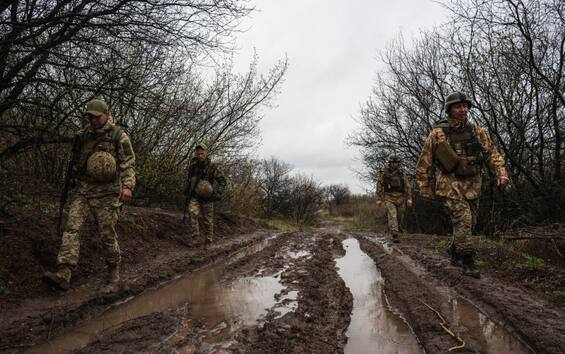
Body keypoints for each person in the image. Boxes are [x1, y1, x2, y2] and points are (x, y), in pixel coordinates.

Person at [43, 99, 135, 290]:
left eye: (96, 116)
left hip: (108, 193)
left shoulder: (119, 136)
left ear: (107, 114)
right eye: (90, 117)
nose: (92, 120)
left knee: (106, 233)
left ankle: (113, 269)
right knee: (72, 228)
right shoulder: (83, 136)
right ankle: (64, 272)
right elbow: (76, 162)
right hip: (84, 190)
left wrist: (128, 187)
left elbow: (128, 163)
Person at [415, 92, 509, 278]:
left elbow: (492, 153)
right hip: (449, 185)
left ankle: (454, 250)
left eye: (465, 106)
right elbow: (424, 162)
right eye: (458, 106)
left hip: (472, 183)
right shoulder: (438, 134)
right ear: (449, 109)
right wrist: (424, 188)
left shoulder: (476, 131)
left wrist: (501, 173)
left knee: (470, 222)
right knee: (463, 220)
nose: (463, 109)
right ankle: (468, 261)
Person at [185, 143, 227, 245]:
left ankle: (208, 240)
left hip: (208, 197)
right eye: (198, 153)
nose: (200, 155)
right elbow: (188, 179)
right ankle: (195, 239)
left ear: (206, 153)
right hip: (194, 196)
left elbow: (222, 181)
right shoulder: (193, 166)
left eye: (202, 153)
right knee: (192, 213)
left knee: (208, 220)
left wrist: (218, 193)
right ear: (196, 154)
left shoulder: (212, 167)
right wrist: (186, 190)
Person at [376, 155, 413, 242]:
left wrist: (409, 198)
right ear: (390, 163)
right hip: (388, 197)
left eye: (396, 163)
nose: (395, 164)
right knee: (393, 215)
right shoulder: (384, 173)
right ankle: (395, 234)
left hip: (400, 198)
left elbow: (407, 186)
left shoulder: (402, 173)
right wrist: (378, 199)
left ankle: (394, 229)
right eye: (393, 162)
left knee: (400, 216)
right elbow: (379, 186)